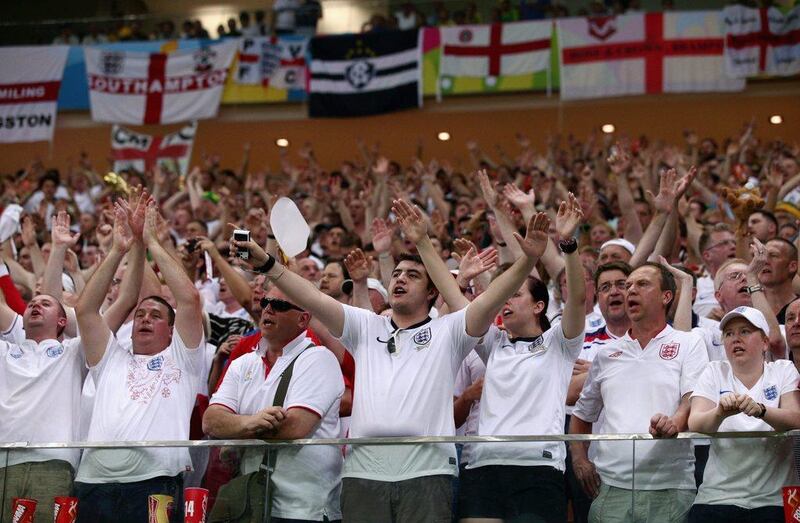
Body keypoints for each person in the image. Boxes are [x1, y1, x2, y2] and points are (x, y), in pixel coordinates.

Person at [232, 198, 555, 523]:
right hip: (363, 475)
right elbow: (310, 297)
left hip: (427, 473)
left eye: (412, 275)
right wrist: (267, 264)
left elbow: (496, 297)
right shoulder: (365, 326)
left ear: (432, 293)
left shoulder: (451, 332)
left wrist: (528, 260)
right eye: (396, 273)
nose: (399, 279)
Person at [453, 194, 586, 523]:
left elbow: (579, 298)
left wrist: (567, 244)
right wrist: (459, 277)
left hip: (538, 468)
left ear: (539, 305)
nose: (505, 302)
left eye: (515, 294)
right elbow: (460, 307)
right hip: (484, 466)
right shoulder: (494, 342)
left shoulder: (559, 342)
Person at [73, 202, 205, 523]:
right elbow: (85, 311)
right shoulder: (110, 359)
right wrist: (118, 250)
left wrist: (152, 244)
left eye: (156, 315)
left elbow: (189, 299)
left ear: (172, 330)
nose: (144, 319)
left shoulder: (183, 359)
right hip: (93, 482)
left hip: (156, 481)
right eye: (141, 314)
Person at [204, 287, 344, 522]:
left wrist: (236, 429)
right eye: (267, 301)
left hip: (304, 508)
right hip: (251, 502)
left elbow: (294, 428)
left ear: (303, 319)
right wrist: (253, 421)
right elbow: (210, 421)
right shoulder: (243, 363)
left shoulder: (319, 358)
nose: (268, 308)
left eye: (279, 305)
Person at [688, 307, 800, 523]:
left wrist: (762, 411)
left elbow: (796, 417)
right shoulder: (714, 371)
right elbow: (696, 422)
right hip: (716, 498)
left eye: (745, 331)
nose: (735, 339)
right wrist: (719, 412)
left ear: (765, 342)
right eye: (729, 334)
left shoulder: (783, 369)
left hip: (776, 500)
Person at [758, 238, 799, 324]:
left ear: (792, 266)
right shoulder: (749, 308)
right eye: (762, 255)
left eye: (773, 255)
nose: (764, 261)